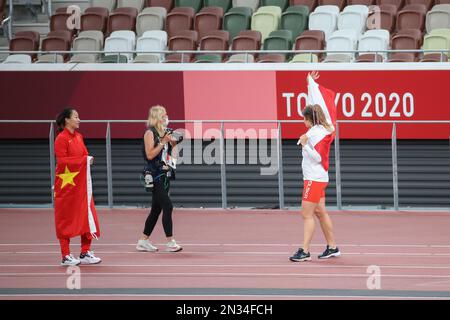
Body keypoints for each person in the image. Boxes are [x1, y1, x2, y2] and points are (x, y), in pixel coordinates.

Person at [290, 71, 341, 262]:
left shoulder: (315, 134)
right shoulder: (319, 129)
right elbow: (315, 102)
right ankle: (333, 247)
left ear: (310, 120)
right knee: (320, 212)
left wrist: (304, 144)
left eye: (304, 119)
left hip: (314, 178)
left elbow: (319, 157)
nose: (302, 122)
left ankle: (304, 251)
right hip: (318, 177)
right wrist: (310, 83)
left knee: (306, 213)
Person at [54, 108, 102, 266]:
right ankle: (65, 255)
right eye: (76, 117)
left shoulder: (79, 137)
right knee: (65, 219)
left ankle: (85, 252)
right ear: (67, 120)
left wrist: (87, 159)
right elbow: (62, 162)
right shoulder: (61, 138)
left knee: (87, 215)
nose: (79, 119)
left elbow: (84, 155)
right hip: (67, 186)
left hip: (81, 186)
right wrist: (84, 161)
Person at [136, 105, 182, 253]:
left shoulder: (166, 132)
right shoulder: (150, 133)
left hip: (164, 175)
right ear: (157, 117)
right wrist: (163, 142)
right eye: (164, 115)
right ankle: (170, 242)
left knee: (156, 209)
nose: (166, 117)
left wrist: (173, 144)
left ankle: (143, 240)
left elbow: (173, 155)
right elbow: (150, 155)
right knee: (168, 206)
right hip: (153, 174)